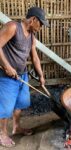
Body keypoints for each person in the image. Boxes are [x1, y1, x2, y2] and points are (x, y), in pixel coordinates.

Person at [0, 7, 49, 147]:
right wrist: (8, 67)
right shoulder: (12, 27)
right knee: (5, 108)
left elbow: (35, 58)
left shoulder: (32, 37)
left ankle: (16, 127)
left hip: (22, 75)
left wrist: (41, 75)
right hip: (6, 77)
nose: (41, 27)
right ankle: (2, 134)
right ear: (33, 20)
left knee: (20, 102)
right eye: (41, 24)